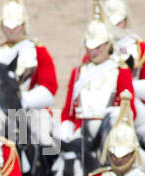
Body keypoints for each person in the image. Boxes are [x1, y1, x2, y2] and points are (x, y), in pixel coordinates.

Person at [60, 14, 140, 147]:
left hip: (112, 134)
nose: (93, 52)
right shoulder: (78, 72)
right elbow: (68, 111)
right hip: (81, 133)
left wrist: (114, 117)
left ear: (108, 44)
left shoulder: (121, 71)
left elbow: (130, 110)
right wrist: (66, 132)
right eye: (89, 48)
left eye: (98, 47)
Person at [0, 1, 57, 110]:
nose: (11, 30)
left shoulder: (38, 50)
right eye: (7, 26)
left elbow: (50, 86)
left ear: (23, 25)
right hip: (1, 108)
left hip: (32, 108)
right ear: (2, 26)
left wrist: (20, 100)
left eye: (16, 26)